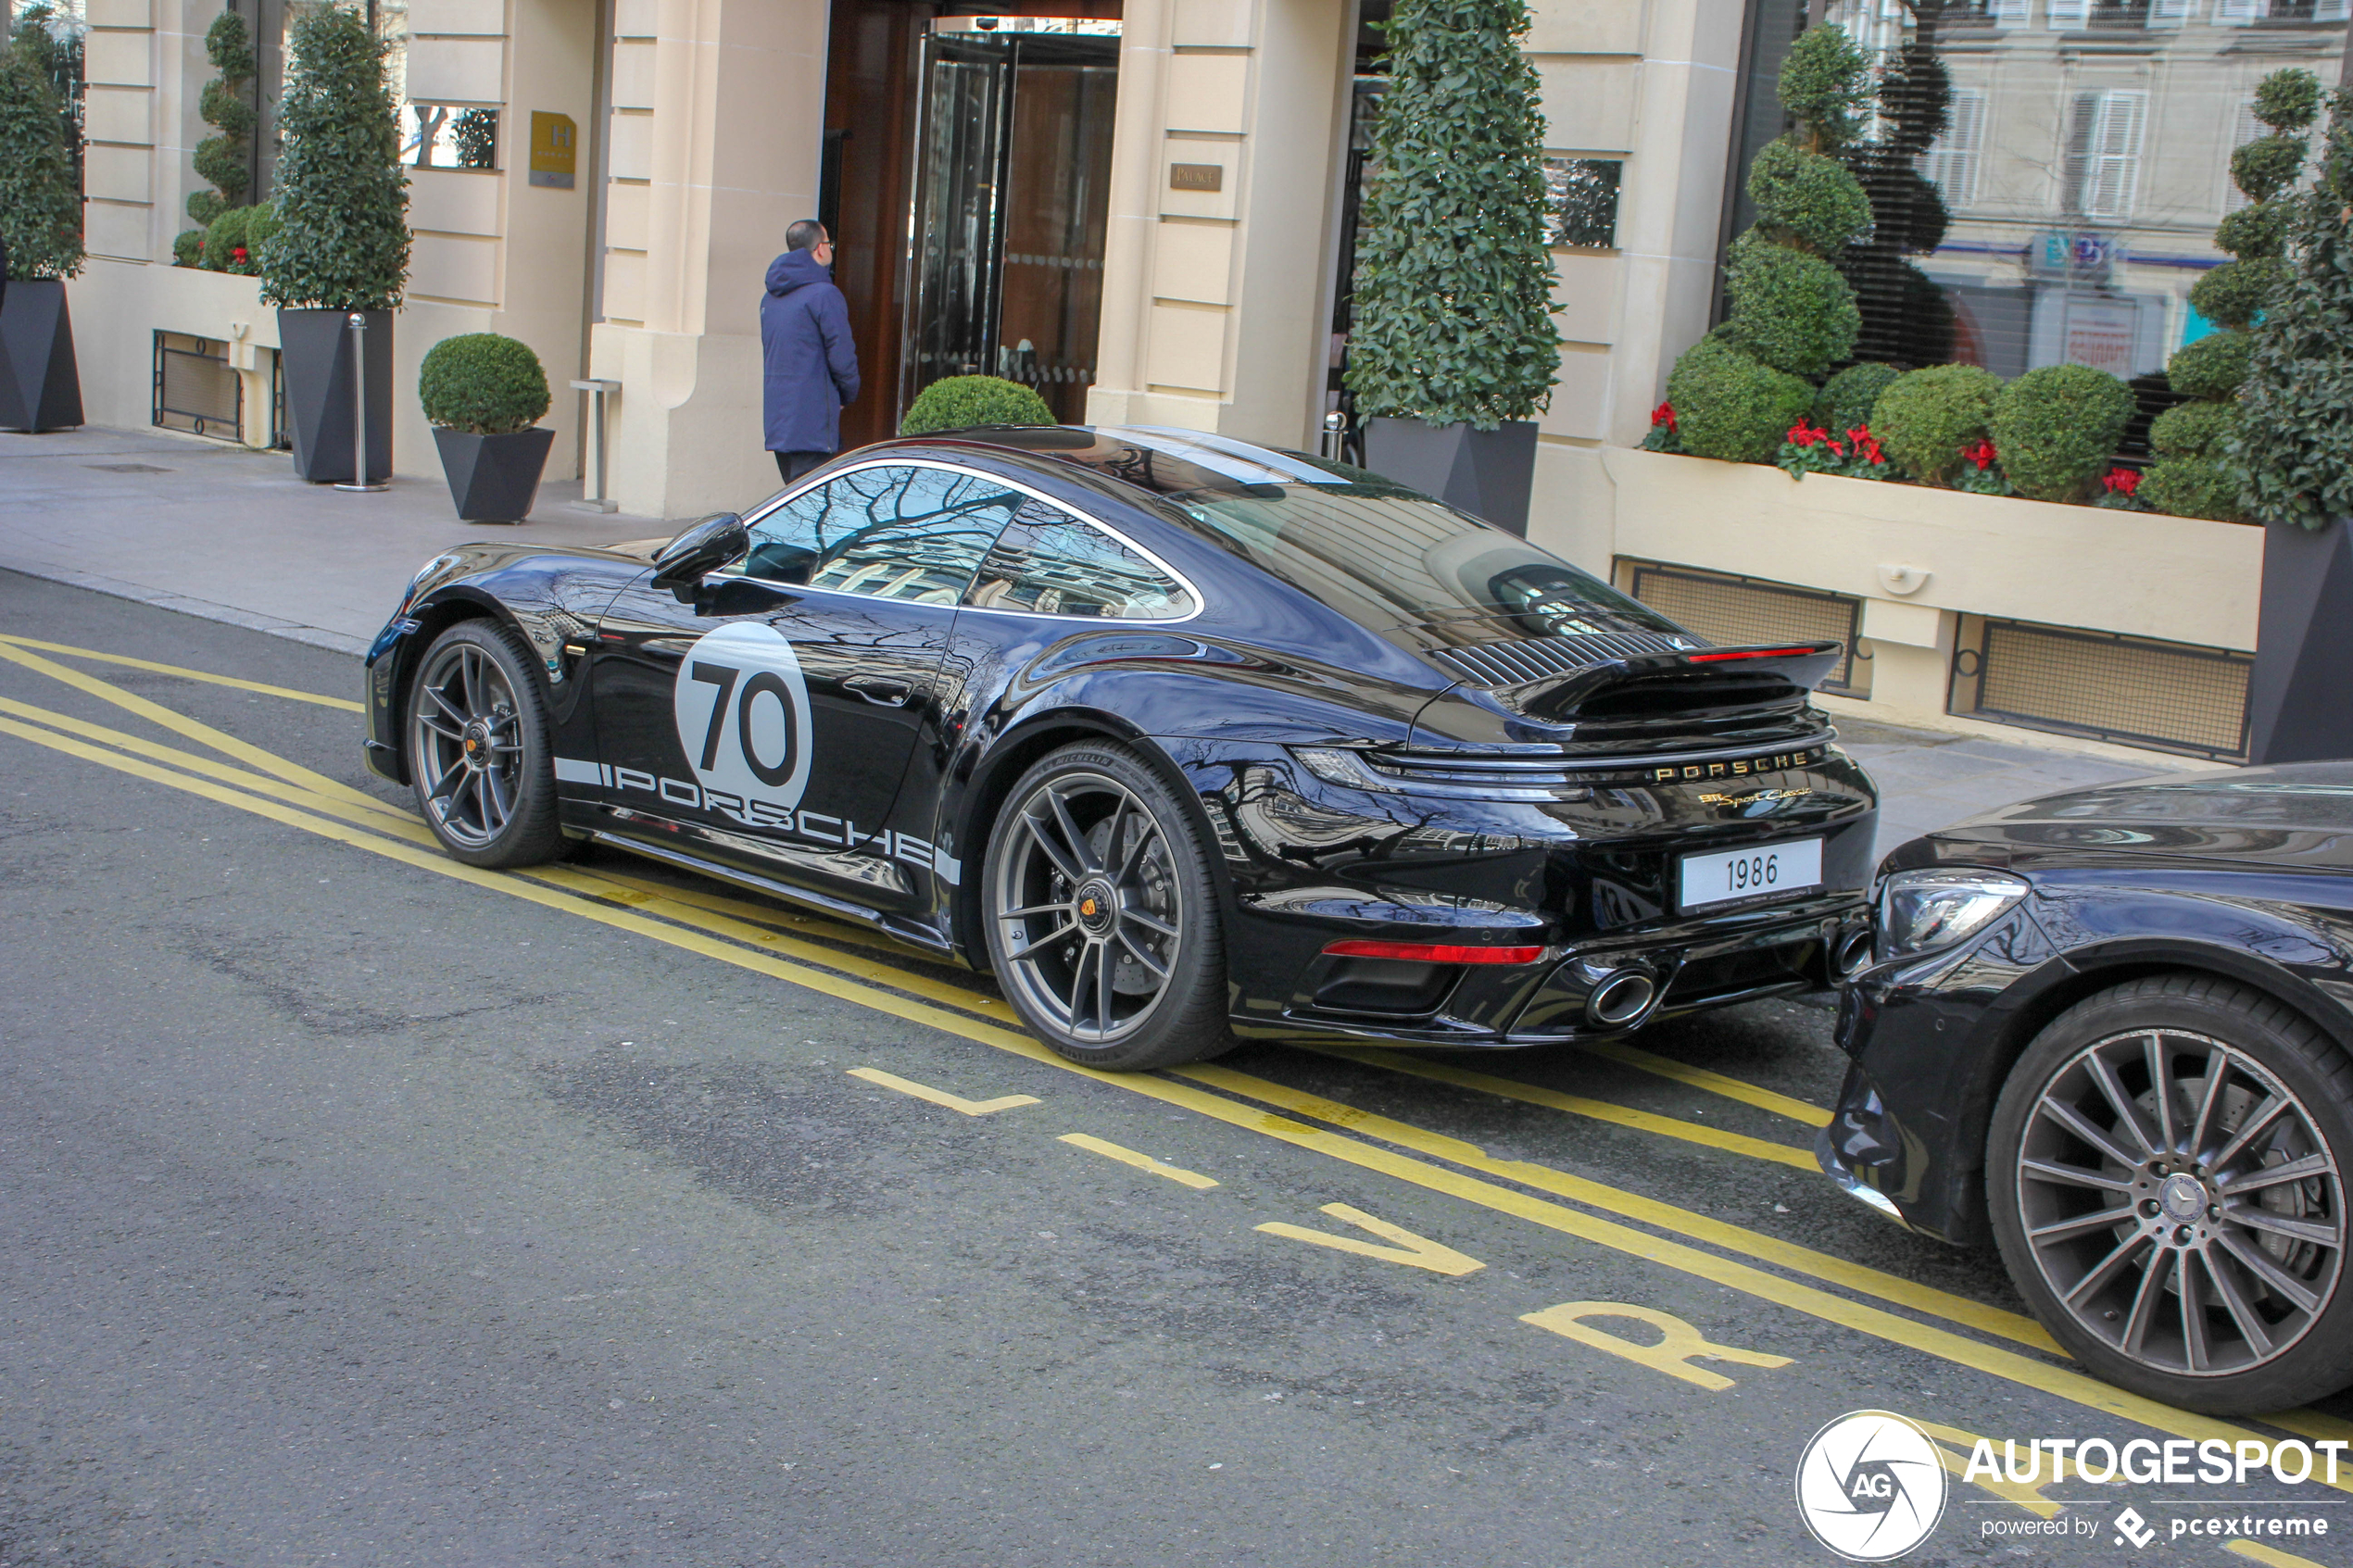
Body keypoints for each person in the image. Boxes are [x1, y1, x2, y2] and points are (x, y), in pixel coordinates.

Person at [760, 220, 859, 486]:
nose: (830, 249)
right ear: (818, 249)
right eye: (829, 243)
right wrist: (847, 394)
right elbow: (842, 355)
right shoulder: (825, 294)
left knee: (793, 499)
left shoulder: (770, 298)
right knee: (814, 506)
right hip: (813, 420)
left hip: (780, 419)